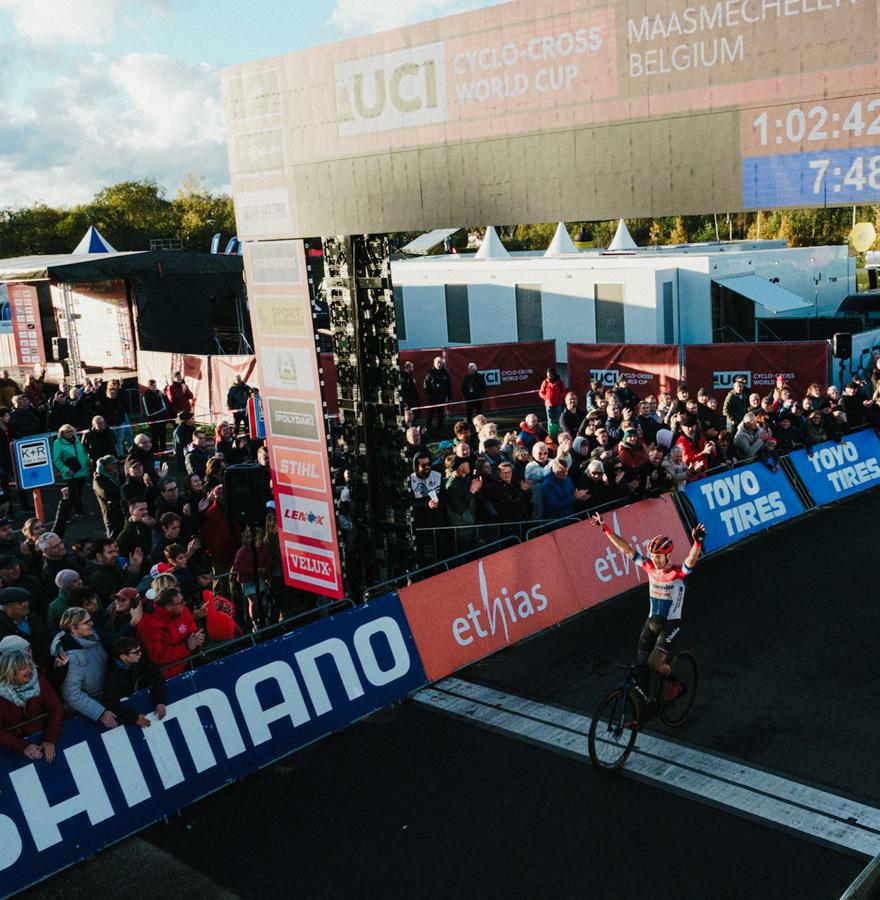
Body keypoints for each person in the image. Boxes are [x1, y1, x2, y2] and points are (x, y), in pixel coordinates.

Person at [593, 515, 706, 691]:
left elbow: (690, 562)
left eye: (659, 557)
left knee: (654, 663)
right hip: (651, 622)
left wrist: (697, 543)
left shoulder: (676, 574)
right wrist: (605, 528)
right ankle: (644, 708)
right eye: (653, 556)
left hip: (671, 624)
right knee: (642, 667)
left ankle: (676, 683)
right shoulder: (650, 567)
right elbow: (627, 549)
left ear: (668, 555)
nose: (654, 560)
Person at [50, 607, 117, 728]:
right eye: (86, 623)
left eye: (90, 620)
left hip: (109, 697)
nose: (91, 624)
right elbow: (72, 694)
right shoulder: (70, 657)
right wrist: (100, 712)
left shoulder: (93, 637)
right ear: (73, 628)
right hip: (92, 713)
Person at [0, 649, 63, 762]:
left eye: (29, 665)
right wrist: (23, 746)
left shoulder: (39, 680)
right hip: (11, 747)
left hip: (39, 735)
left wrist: (50, 739)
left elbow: (56, 708)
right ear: (10, 672)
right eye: (23, 668)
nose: (29, 670)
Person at [137, 586, 204, 679]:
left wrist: (197, 639)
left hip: (188, 663)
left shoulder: (183, 610)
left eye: (183, 600)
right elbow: (158, 656)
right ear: (168, 607)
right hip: (166, 675)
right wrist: (186, 647)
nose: (184, 604)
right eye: (180, 603)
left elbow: (192, 629)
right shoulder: (149, 625)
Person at [102, 636, 167, 728]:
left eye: (140, 650)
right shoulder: (112, 675)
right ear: (124, 657)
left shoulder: (141, 659)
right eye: (136, 652)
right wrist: (134, 718)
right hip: (132, 711)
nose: (140, 654)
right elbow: (111, 702)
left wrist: (160, 701)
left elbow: (157, 677)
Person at [0, 586, 51, 667]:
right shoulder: (2, 626)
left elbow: (45, 636)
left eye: (27, 601)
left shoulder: (33, 617)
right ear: (6, 607)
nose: (26, 604)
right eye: (20, 603)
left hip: (43, 665)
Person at [52, 424, 90, 516]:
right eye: (67, 432)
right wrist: (66, 470)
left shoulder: (77, 440)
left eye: (71, 431)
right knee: (70, 495)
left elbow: (83, 453)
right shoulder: (58, 443)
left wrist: (88, 463)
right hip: (70, 473)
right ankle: (65, 514)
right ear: (62, 433)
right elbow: (57, 460)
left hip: (81, 471)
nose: (69, 433)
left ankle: (79, 511)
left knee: (78, 494)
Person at [422, 356, 451, 434]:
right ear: (434, 364)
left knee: (440, 415)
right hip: (432, 399)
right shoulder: (430, 373)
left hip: (441, 398)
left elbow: (449, 386)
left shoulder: (445, 373)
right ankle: (427, 430)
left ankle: (440, 429)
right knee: (430, 415)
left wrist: (449, 397)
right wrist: (430, 396)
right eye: (438, 362)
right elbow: (425, 386)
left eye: (441, 363)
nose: (439, 364)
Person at [538, 367, 567, 432]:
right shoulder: (545, 382)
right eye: (548, 375)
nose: (549, 377)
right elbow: (541, 392)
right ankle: (550, 433)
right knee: (550, 420)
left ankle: (559, 432)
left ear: (554, 375)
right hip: (549, 404)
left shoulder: (560, 382)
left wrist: (560, 396)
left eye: (550, 375)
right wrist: (546, 398)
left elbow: (564, 391)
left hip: (558, 403)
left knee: (558, 419)